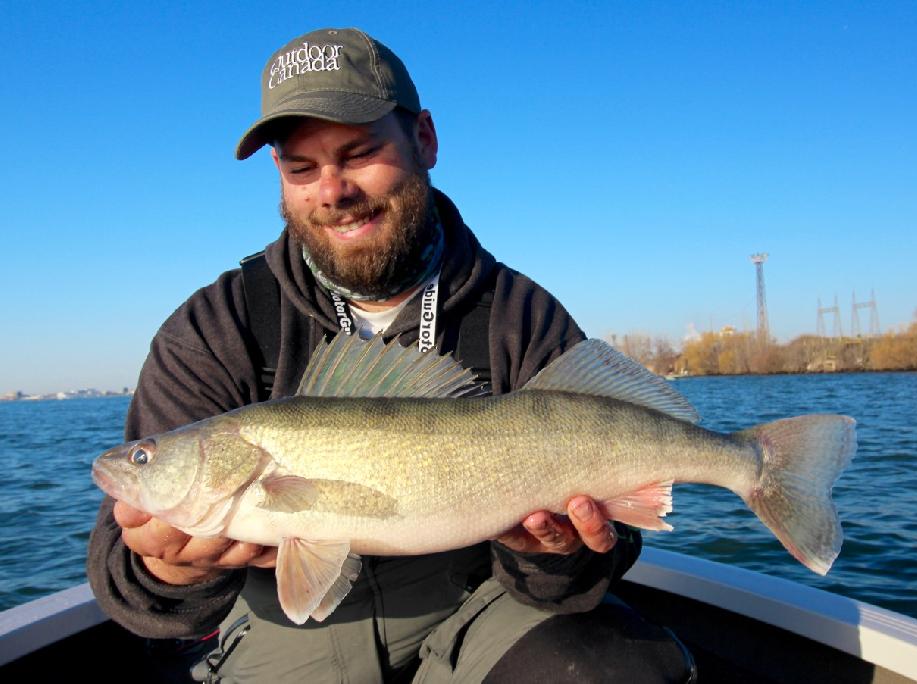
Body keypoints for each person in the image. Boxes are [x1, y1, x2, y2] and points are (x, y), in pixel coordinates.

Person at [87, 27, 693, 683]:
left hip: (482, 614)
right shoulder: (216, 326)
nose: (332, 189)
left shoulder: (521, 314)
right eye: (301, 167)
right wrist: (171, 569)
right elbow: (129, 590)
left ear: (425, 140)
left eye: (360, 151)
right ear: (280, 176)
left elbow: (591, 569)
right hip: (285, 640)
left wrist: (554, 555)